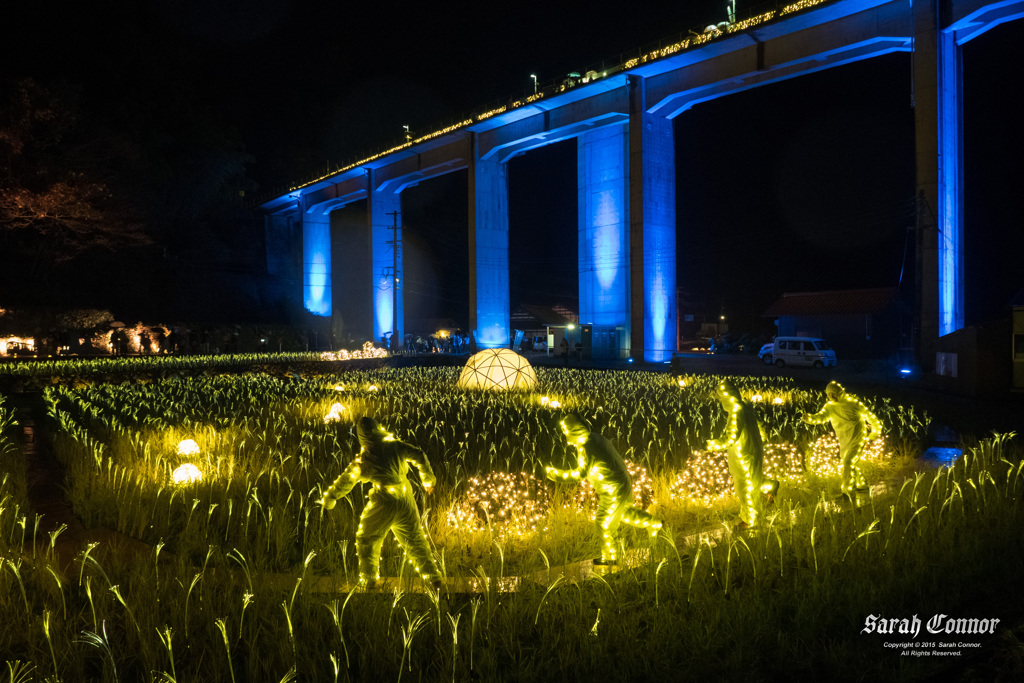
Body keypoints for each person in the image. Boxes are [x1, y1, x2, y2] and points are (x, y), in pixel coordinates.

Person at [320, 417, 442, 590]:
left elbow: (347, 479)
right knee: (414, 540)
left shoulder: (366, 456)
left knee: (367, 539)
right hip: (405, 497)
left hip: (385, 500)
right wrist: (428, 480)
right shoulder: (395, 444)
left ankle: (369, 580)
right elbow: (419, 455)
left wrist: (330, 497)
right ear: (378, 428)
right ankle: (433, 577)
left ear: (361, 435)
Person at [546, 414, 663, 565]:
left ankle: (610, 558)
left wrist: (556, 475)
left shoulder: (586, 448)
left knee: (604, 523)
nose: (568, 441)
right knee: (624, 513)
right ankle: (653, 523)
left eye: (568, 434)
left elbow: (580, 474)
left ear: (575, 431)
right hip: (623, 482)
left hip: (612, 489)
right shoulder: (596, 438)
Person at [707, 379, 779, 530]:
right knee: (753, 481)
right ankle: (771, 485)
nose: (721, 401)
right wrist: (761, 440)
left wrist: (711, 444)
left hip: (743, 454)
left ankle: (751, 522)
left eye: (721, 397)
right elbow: (760, 424)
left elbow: (731, 437)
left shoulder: (736, 411)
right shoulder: (746, 406)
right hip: (753, 449)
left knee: (745, 488)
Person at [801, 381, 883, 502]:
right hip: (844, 439)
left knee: (848, 463)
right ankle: (862, 485)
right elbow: (820, 417)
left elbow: (872, 418)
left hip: (857, 437)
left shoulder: (853, 404)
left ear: (839, 392)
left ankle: (847, 494)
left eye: (833, 393)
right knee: (849, 463)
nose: (831, 397)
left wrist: (873, 434)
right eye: (829, 394)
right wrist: (809, 418)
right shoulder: (830, 407)